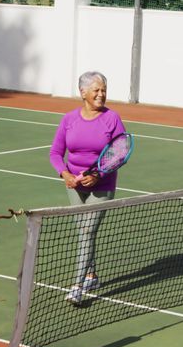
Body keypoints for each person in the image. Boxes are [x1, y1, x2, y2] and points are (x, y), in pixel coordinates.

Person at [48, 71, 127, 305]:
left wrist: (99, 174)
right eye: (96, 90)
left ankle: (77, 286)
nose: (101, 94)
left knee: (86, 231)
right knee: (84, 231)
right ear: (83, 93)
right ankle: (91, 275)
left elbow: (120, 153)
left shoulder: (112, 119)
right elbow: (55, 153)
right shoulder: (69, 119)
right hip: (74, 185)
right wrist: (65, 174)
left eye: (104, 90)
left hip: (102, 186)